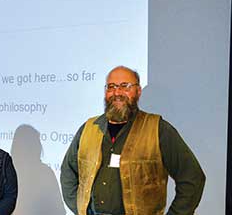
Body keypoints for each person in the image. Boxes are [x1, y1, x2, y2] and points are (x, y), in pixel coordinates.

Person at [60, 66, 205, 215]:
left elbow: (193, 177)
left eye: (125, 86)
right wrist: (80, 209)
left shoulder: (158, 129)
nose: (117, 93)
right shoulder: (88, 128)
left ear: (138, 91)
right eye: (111, 87)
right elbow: (68, 171)